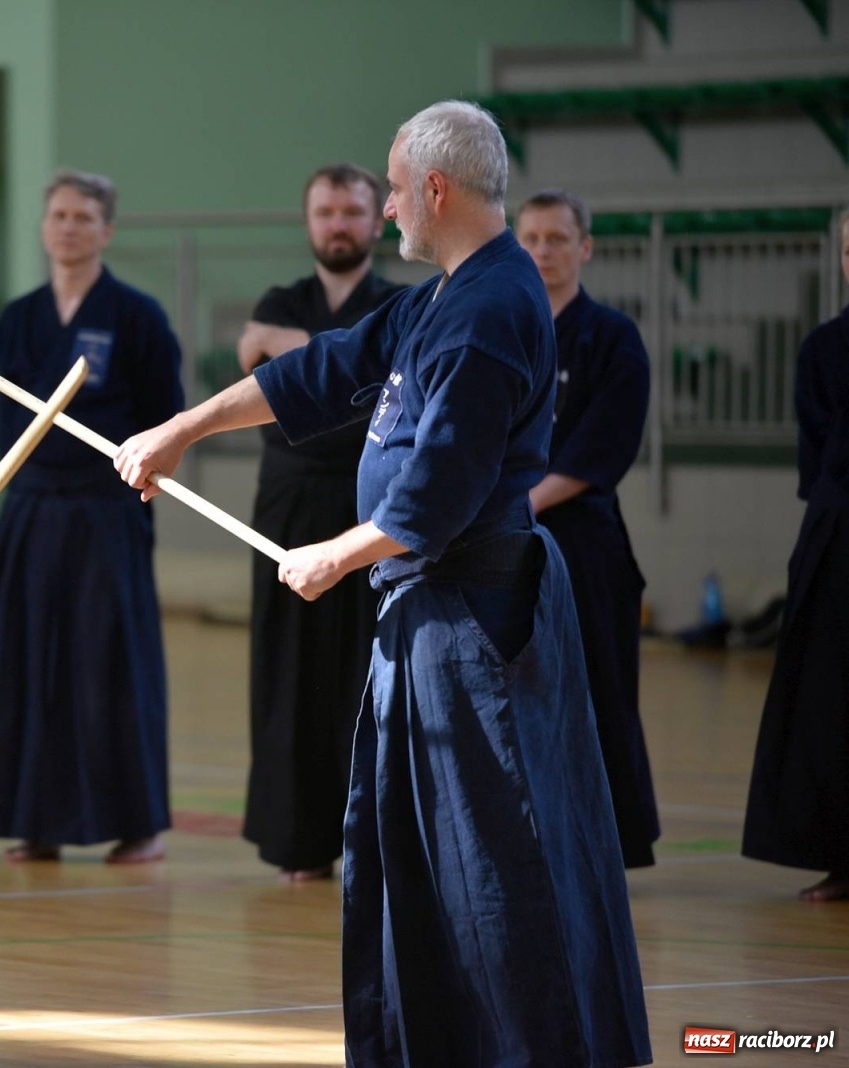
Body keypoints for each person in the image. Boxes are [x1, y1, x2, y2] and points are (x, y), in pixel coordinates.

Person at [115, 102, 651, 1066]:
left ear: (435, 189)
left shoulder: (491, 312)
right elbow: (322, 368)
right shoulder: (443, 294)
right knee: (421, 851)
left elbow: (432, 500)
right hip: (428, 614)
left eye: (397, 188)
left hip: (476, 624)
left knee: (491, 860)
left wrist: (333, 555)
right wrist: (183, 429)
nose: (390, 204)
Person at [0, 168, 184, 864]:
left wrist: (144, 481)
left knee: (107, 661)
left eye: (84, 217)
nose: (68, 227)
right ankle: (37, 821)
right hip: (32, 508)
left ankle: (137, 822)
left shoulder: (137, 315)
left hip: (105, 510)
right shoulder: (19, 317)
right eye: (58, 215)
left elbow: (164, 420)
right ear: (43, 226)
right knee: (29, 660)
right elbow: (7, 429)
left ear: (107, 230)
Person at [237, 164, 405, 882]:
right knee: (289, 671)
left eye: (352, 211)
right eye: (325, 211)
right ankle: (297, 841)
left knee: (368, 672)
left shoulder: (400, 303)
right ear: (309, 222)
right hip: (288, 505)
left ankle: (372, 833)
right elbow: (263, 363)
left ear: (377, 221)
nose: (338, 223)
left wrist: (296, 350)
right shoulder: (279, 297)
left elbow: (316, 370)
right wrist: (324, 363)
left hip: (368, 505)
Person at [515, 189, 660, 869]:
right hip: (507, 542)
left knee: (599, 689)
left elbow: (604, 447)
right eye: (532, 239)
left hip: (584, 542)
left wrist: (525, 503)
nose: (543, 251)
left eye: (557, 238)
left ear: (585, 248)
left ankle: (608, 845)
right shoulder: (506, 330)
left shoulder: (612, 337)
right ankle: (531, 838)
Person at [742, 210, 849, 903]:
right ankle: (843, 858)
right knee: (831, 706)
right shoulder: (824, 349)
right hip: (838, 538)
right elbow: (816, 464)